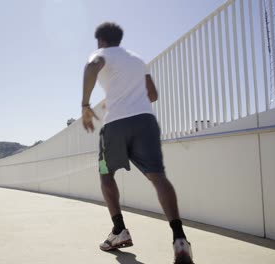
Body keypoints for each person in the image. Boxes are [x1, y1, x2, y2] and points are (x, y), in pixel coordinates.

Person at [81, 22, 194, 264]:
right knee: (158, 177)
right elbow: (152, 94)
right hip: (145, 122)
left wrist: (85, 105)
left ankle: (119, 230)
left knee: (105, 173)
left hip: (116, 126)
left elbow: (91, 67)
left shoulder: (100, 54)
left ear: (100, 40)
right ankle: (179, 239)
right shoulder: (136, 59)